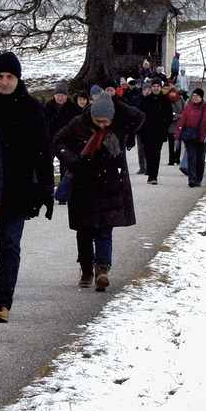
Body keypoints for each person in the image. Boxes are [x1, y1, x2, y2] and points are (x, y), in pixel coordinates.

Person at [0, 52, 52, 323]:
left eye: (10, 77)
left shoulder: (32, 108)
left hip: (18, 188)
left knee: (10, 245)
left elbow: (43, 150)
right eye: (0, 76)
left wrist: (45, 188)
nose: (4, 82)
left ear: (18, 79)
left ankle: (2, 302)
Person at [53, 88, 143, 292]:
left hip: (109, 184)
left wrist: (115, 102)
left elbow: (138, 117)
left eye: (106, 121)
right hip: (83, 186)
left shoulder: (119, 124)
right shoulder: (78, 123)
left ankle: (102, 270)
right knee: (84, 232)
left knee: (104, 230)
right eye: (98, 120)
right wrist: (73, 160)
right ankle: (86, 269)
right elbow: (58, 141)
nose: (102, 125)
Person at [134, 78, 176, 186]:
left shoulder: (165, 100)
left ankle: (154, 175)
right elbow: (141, 115)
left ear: (161, 87)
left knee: (156, 153)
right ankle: (149, 173)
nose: (156, 88)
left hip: (159, 132)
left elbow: (169, 116)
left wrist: (164, 127)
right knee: (148, 152)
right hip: (147, 132)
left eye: (157, 86)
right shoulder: (146, 100)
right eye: (154, 86)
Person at [178, 87, 206, 188]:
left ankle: (198, 179)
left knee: (200, 159)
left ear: (201, 97)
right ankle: (191, 179)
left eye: (197, 96)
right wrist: (177, 137)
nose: (194, 97)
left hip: (202, 138)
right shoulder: (188, 108)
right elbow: (181, 123)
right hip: (190, 137)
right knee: (192, 158)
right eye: (193, 95)